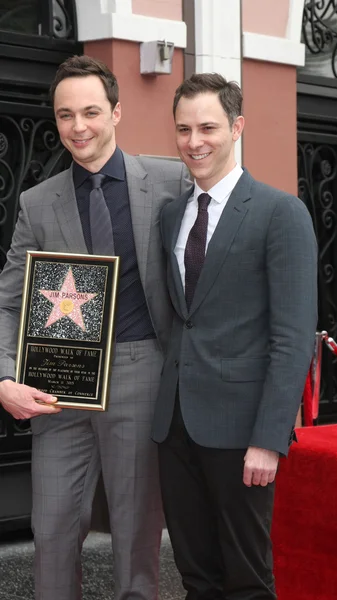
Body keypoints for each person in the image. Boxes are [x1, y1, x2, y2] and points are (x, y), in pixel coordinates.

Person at [0, 55, 189, 600]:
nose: (77, 127)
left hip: (140, 371)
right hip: (57, 381)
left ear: (116, 112)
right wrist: (5, 377)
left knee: (136, 535)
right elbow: (8, 300)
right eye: (65, 115)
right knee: (52, 529)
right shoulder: (37, 202)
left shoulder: (170, 180)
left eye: (89, 112)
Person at [151, 73, 318, 600]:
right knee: (196, 575)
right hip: (174, 427)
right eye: (183, 129)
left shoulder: (280, 212)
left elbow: (292, 338)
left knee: (247, 579)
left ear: (236, 127)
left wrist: (269, 440)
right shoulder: (171, 215)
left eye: (208, 127)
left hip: (243, 432)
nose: (194, 141)